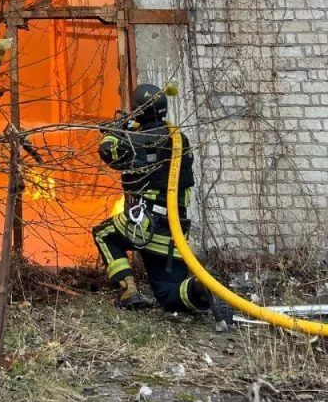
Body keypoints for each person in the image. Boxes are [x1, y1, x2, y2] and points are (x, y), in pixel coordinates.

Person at [92, 83, 232, 325]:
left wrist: (116, 130)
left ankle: (129, 292)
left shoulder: (140, 140)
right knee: (169, 294)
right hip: (174, 232)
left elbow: (108, 151)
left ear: (138, 112)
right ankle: (203, 288)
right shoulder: (179, 139)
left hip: (145, 223)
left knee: (104, 234)